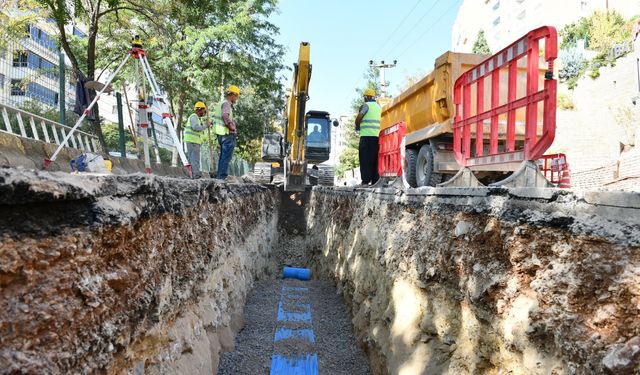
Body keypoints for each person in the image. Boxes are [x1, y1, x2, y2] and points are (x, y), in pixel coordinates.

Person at [213, 85, 240, 180]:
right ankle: (221, 178)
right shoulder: (227, 104)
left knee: (223, 156)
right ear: (233, 95)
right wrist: (231, 127)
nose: (236, 99)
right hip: (226, 134)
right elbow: (225, 116)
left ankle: (220, 176)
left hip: (221, 134)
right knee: (226, 157)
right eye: (236, 97)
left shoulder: (221, 103)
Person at [354, 88, 381, 185]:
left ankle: (365, 181)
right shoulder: (379, 107)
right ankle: (375, 180)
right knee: (375, 159)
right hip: (377, 137)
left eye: (364, 97)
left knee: (365, 159)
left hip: (366, 136)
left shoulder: (366, 106)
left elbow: (360, 116)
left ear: (367, 97)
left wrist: (357, 125)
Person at [184, 101, 210, 179]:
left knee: (192, 159)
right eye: (203, 111)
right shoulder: (194, 117)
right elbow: (195, 127)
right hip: (193, 141)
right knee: (195, 159)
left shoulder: (196, 118)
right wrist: (205, 126)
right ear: (199, 109)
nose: (204, 112)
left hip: (192, 141)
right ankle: (195, 175)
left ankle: (191, 175)